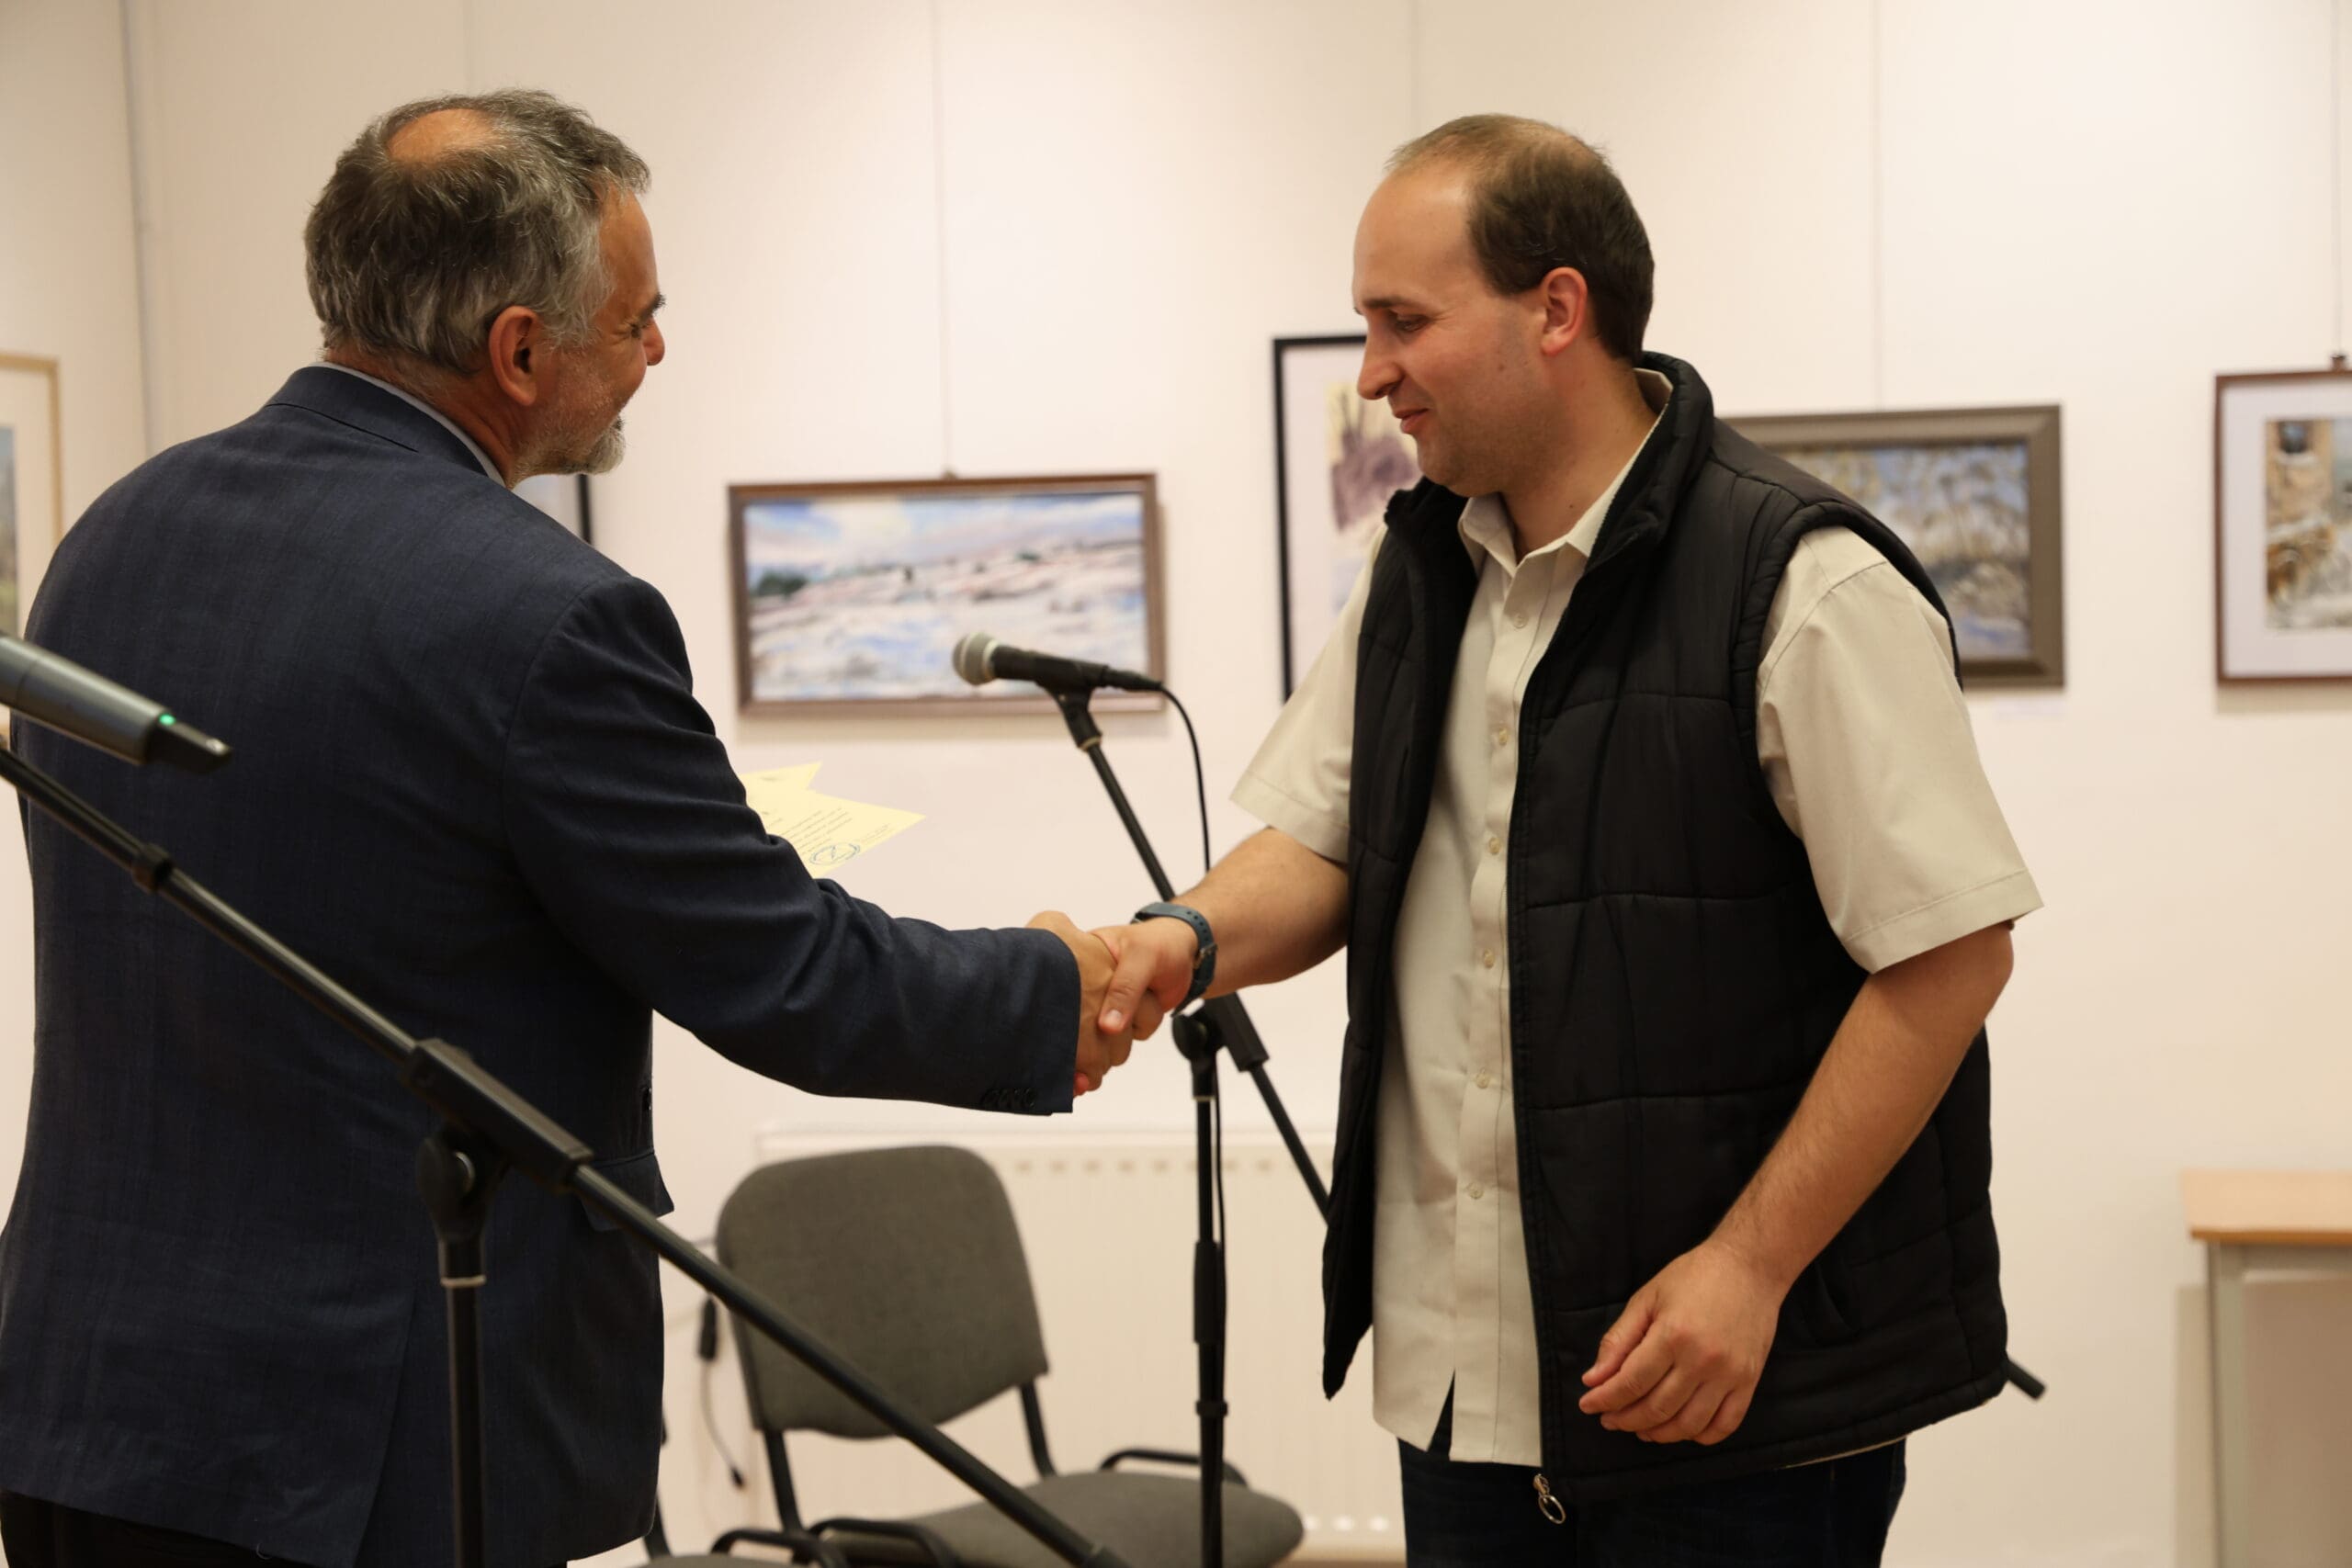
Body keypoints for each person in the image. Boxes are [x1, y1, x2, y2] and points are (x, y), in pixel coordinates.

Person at [0, 90, 1128, 1568]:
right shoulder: (547, 614)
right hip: (379, 1451)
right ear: (520, 351)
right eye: (638, 320)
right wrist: (1053, 983)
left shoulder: (108, 538)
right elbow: (781, 973)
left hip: (86, 1413)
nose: (657, 352)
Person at [1096, 115, 2040, 1565]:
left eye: (1404, 321)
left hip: (1734, 1405)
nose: (1372, 373)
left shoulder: (1807, 584)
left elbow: (1950, 958)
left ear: (1556, 309)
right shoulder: (1417, 570)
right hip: (1465, 1399)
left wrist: (1748, 1267)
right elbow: (1331, 844)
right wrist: (1184, 938)